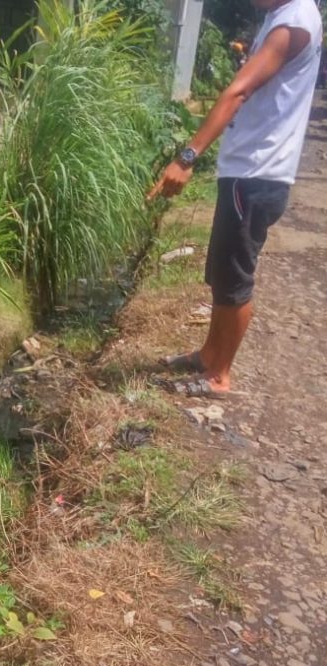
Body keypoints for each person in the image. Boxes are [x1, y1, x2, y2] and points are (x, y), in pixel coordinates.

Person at [148, 0, 323, 397]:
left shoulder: (295, 20)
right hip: (246, 169)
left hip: (257, 172)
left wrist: (188, 156)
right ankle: (210, 355)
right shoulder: (282, 17)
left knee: (235, 278)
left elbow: (238, 91)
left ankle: (219, 376)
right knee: (222, 271)